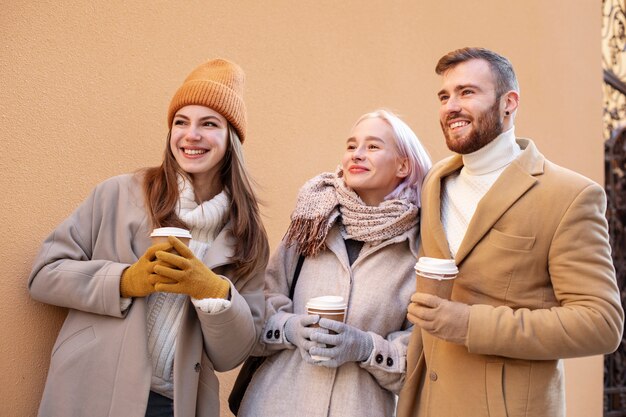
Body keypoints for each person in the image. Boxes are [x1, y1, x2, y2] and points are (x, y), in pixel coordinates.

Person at [28, 58, 269, 417]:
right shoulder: (118, 195)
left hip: (174, 404)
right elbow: (43, 275)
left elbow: (232, 354)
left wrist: (213, 292)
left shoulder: (247, 235)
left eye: (209, 124)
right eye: (181, 122)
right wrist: (125, 280)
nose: (191, 135)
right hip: (91, 388)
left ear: (231, 139)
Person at [396, 47, 625, 417]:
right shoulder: (434, 180)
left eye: (467, 92)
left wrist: (470, 323)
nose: (451, 105)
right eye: (444, 95)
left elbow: (601, 323)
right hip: (424, 403)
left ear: (509, 102)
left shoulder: (569, 196)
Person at [237, 109, 432, 416]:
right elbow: (256, 306)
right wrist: (289, 330)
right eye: (352, 145)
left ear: (403, 164)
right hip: (275, 404)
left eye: (373, 146)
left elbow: (421, 360)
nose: (357, 154)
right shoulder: (311, 222)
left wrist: (365, 348)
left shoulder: (420, 250)